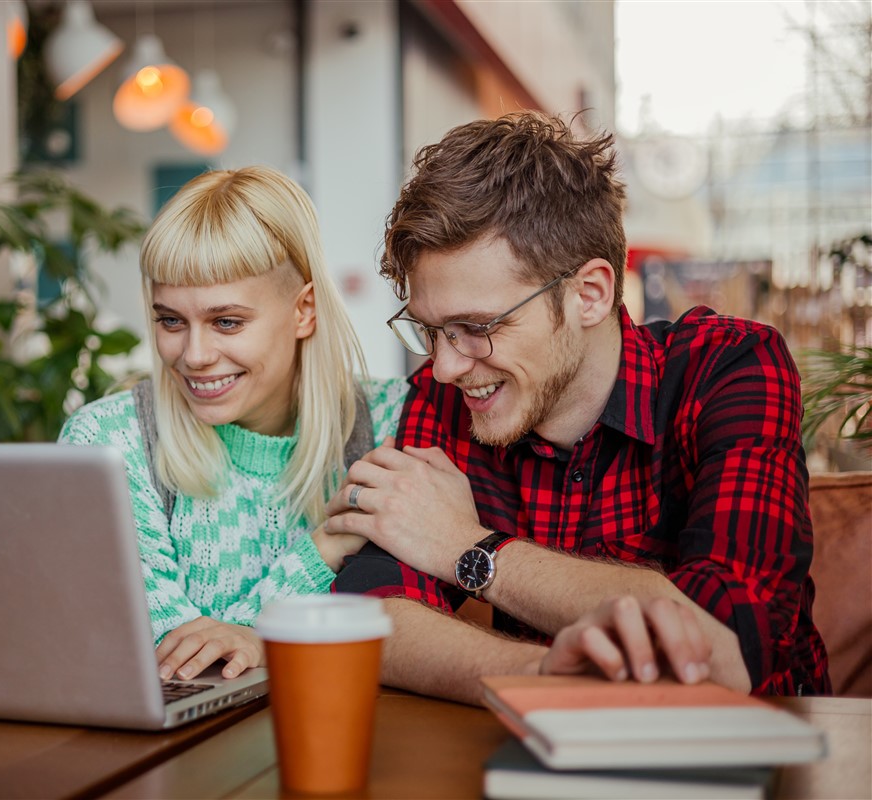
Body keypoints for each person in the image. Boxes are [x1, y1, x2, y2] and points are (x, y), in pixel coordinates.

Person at [324, 111, 830, 705]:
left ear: (589, 294)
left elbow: (723, 651)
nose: (443, 366)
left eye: (477, 327)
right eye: (431, 330)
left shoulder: (730, 367)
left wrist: (468, 548)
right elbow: (368, 618)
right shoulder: (451, 394)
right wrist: (543, 676)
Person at [60, 166, 408, 683]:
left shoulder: (391, 420)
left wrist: (255, 636)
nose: (195, 356)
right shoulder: (106, 443)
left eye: (227, 321)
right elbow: (180, 658)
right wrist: (322, 550)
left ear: (304, 310)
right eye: (170, 320)